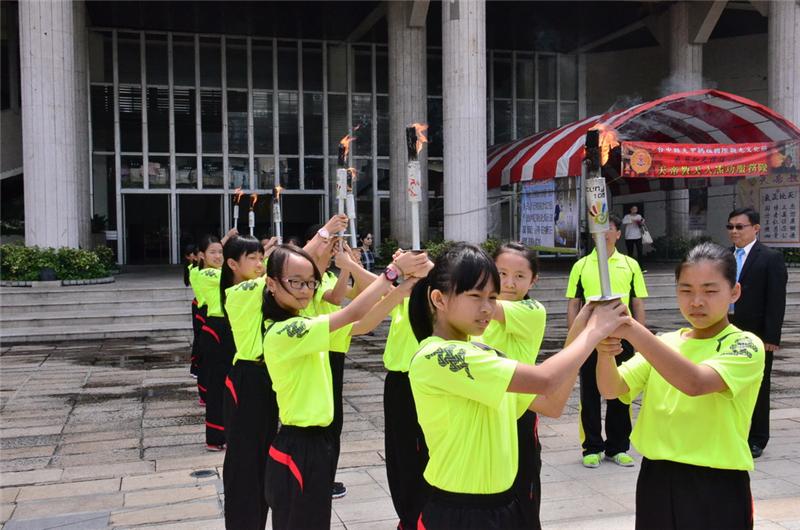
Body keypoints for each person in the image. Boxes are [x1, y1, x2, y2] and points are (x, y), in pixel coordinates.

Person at [408, 243, 629, 530]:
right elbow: (547, 380)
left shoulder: (484, 353)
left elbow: (551, 403)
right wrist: (595, 331)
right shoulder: (437, 356)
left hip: (503, 508)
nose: (487, 308)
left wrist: (585, 323)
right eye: (476, 296)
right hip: (458, 513)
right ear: (439, 299)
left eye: (492, 297)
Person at [596, 242, 765, 530]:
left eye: (710, 291)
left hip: (717, 484)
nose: (696, 301)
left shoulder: (745, 345)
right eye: (686, 290)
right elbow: (613, 388)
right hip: (656, 479)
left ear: (733, 292)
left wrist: (634, 330)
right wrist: (604, 351)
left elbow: (695, 382)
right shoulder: (665, 342)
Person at [262, 244, 428, 529]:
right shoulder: (285, 331)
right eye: (295, 282)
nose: (305, 290)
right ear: (271, 283)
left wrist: (407, 286)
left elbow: (364, 323)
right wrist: (394, 272)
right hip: (298, 446)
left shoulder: (306, 325)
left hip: (316, 443)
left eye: (310, 283)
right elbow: (351, 314)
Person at [471, 243, 555, 529]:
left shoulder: (531, 310)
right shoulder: (476, 313)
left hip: (518, 418)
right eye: (502, 272)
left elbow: (486, 306)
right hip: (480, 417)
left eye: (520, 276)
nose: (509, 282)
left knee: (523, 499)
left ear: (534, 281)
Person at [565, 214, 648, 468]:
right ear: (594, 235)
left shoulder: (630, 264)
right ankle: (592, 447)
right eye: (600, 231)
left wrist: (642, 338)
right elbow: (573, 303)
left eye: (610, 229)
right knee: (589, 394)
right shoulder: (581, 266)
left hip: (623, 335)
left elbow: (637, 301)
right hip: (591, 337)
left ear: (618, 234)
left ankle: (618, 447)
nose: (605, 234)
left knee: (622, 393)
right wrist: (574, 340)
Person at [220, 235, 278, 530]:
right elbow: (285, 274)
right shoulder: (239, 291)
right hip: (247, 379)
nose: (259, 264)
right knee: (245, 463)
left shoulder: (257, 287)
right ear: (232, 264)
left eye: (261, 257)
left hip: (265, 378)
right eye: (252, 258)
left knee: (262, 462)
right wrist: (321, 237)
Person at [726, 207, 788, 458]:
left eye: (740, 227)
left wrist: (771, 337)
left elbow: (776, 300)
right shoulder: (724, 257)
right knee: (728, 383)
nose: (734, 232)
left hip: (757, 332)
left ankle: (757, 438)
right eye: (730, 227)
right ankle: (733, 432)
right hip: (727, 329)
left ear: (755, 228)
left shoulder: (770, 258)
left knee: (759, 386)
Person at [381, 250, 434, 530]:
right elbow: (370, 292)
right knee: (399, 454)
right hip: (397, 384)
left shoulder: (434, 303)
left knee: (419, 453)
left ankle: (419, 516)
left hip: (420, 383)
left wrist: (427, 271)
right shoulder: (404, 299)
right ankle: (407, 516)